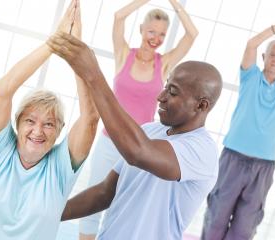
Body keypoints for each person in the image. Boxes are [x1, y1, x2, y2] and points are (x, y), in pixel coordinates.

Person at [47, 32, 222, 239]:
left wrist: (92, 73)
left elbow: (138, 152)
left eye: (173, 92)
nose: (160, 96)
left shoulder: (203, 151)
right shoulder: (149, 130)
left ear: (201, 105)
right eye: (166, 86)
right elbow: (105, 192)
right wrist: (48, 215)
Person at [0, 1, 99, 239]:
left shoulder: (60, 168)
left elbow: (90, 118)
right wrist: (53, 43)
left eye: (49, 124)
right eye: (30, 121)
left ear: (59, 131)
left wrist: (76, 51)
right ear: (18, 123)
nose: (38, 131)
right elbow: (3, 91)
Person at [78, 0, 198, 238]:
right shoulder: (124, 55)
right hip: (109, 143)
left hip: (139, 149)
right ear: (141, 29)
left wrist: (175, 3)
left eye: (162, 34)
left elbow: (192, 34)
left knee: (124, 208)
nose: (155, 38)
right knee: (92, 207)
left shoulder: (163, 64)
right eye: (151, 31)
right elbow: (118, 17)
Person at [201, 9, 275, 240]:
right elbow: (251, 44)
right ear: (264, 57)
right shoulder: (250, 76)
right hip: (233, 158)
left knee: (245, 228)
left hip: (264, 166)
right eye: (273, 54)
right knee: (216, 219)